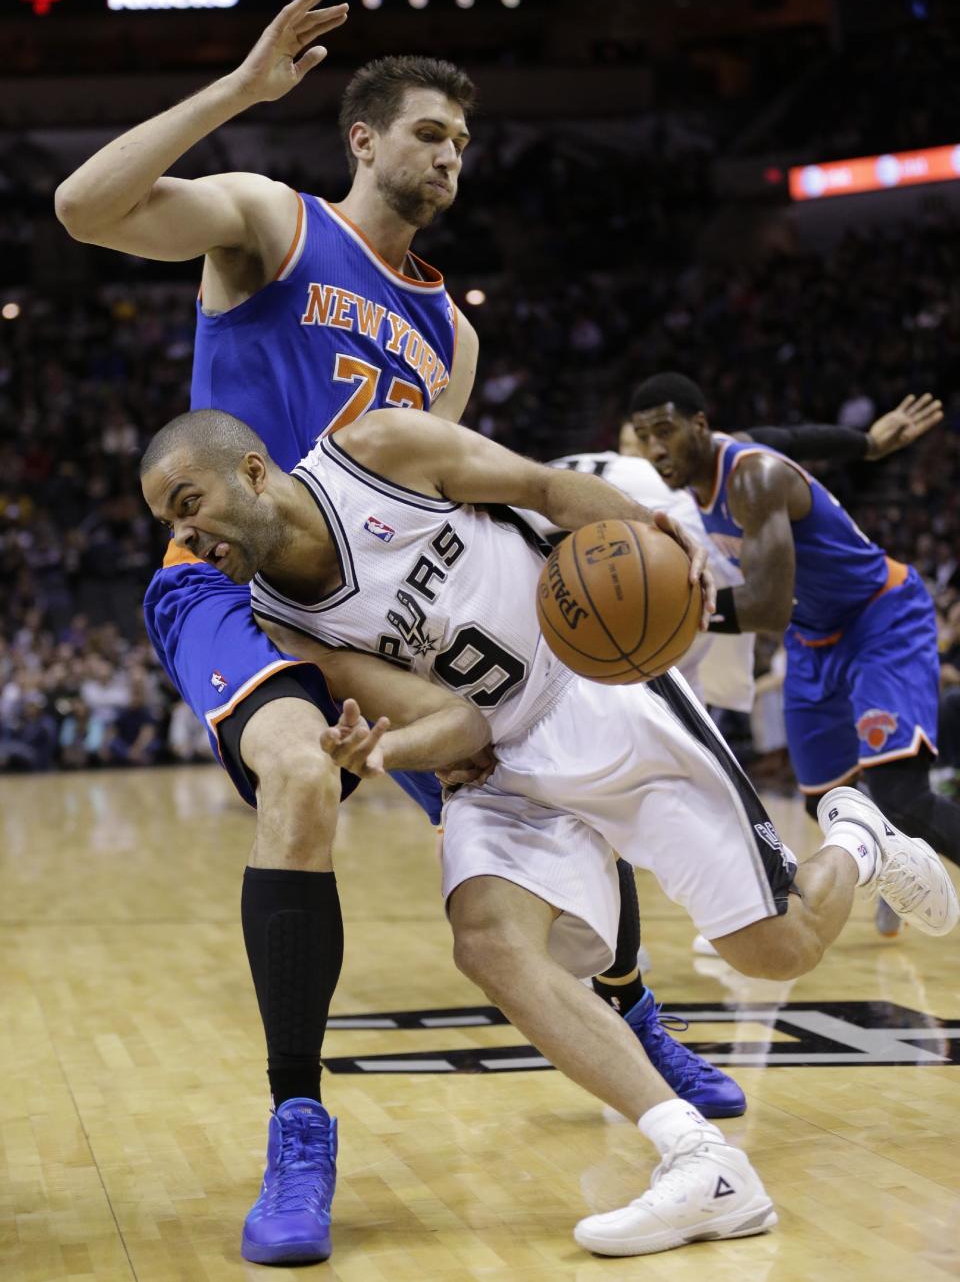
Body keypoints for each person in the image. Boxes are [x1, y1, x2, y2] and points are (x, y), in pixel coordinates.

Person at [53, 0, 730, 1261]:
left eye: (463, 144)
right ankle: (299, 1125)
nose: (449, 157)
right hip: (239, 586)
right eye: (429, 133)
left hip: (386, 604)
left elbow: (459, 501)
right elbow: (81, 210)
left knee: (544, 749)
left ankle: (633, 1008)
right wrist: (242, 94)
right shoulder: (272, 223)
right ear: (361, 137)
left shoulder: (450, 336)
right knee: (301, 776)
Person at [139, 405, 957, 1258]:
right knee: (488, 939)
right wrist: (386, 751)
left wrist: (654, 538)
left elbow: (544, 487)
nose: (185, 533)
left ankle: (858, 833)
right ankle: (700, 1160)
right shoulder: (281, 618)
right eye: (167, 522)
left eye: (189, 501)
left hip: (597, 686)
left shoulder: (374, 452)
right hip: (506, 766)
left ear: (255, 472)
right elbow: (458, 721)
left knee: (777, 950)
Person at [629, 372, 960, 912]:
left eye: (663, 431)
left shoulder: (751, 477)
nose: (654, 448)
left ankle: (902, 837)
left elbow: (767, 608)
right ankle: (900, 856)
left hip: (879, 616)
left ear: (700, 425)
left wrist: (671, 614)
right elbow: (796, 436)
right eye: (643, 437)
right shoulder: (713, 468)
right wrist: (868, 443)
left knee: (905, 796)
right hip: (813, 637)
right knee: (826, 804)